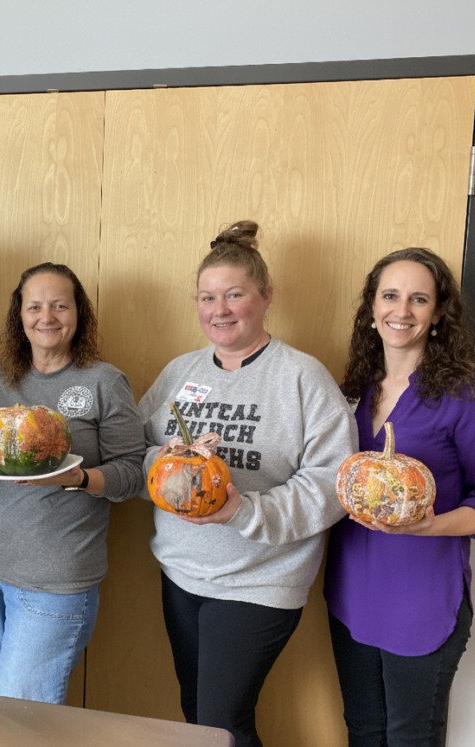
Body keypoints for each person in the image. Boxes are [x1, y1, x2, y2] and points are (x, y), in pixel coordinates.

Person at [138, 221, 357, 747]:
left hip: (260, 580)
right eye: (207, 297)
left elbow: (334, 482)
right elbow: (137, 449)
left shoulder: (302, 377)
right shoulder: (179, 372)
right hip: (183, 572)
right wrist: (169, 462)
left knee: (220, 723)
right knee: (199, 714)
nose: (220, 309)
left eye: (235, 295)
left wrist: (243, 510)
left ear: (265, 297)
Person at [324, 248, 475, 746]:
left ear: (439, 313)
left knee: (411, 738)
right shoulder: (353, 388)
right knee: (363, 732)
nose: (401, 311)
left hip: (422, 599)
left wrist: (428, 525)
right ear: (371, 307)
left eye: (419, 299)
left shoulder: (468, 395)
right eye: (390, 295)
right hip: (351, 592)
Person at [0, 262, 145, 705]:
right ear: (18, 315)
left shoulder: (104, 381)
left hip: (56, 581)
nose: (47, 317)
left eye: (60, 305)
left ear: (79, 314)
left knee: (21, 718)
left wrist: (79, 477)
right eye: (35, 306)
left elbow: (132, 474)